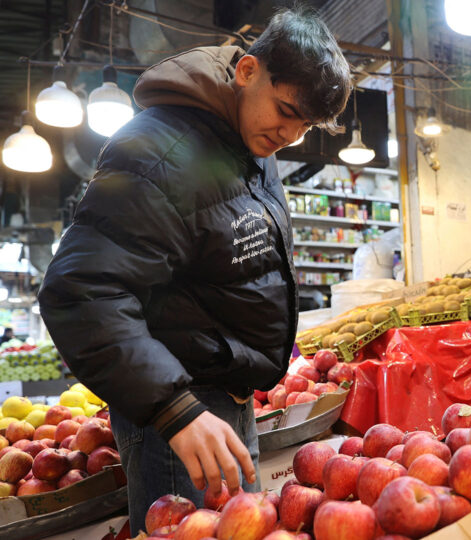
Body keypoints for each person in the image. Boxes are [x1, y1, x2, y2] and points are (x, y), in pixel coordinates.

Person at [38, 6, 351, 533]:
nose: (291, 134)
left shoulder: (251, 140)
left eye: (305, 125)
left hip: (225, 402)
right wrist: (175, 410)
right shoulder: (158, 151)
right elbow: (81, 292)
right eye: (285, 110)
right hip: (178, 418)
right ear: (247, 71)